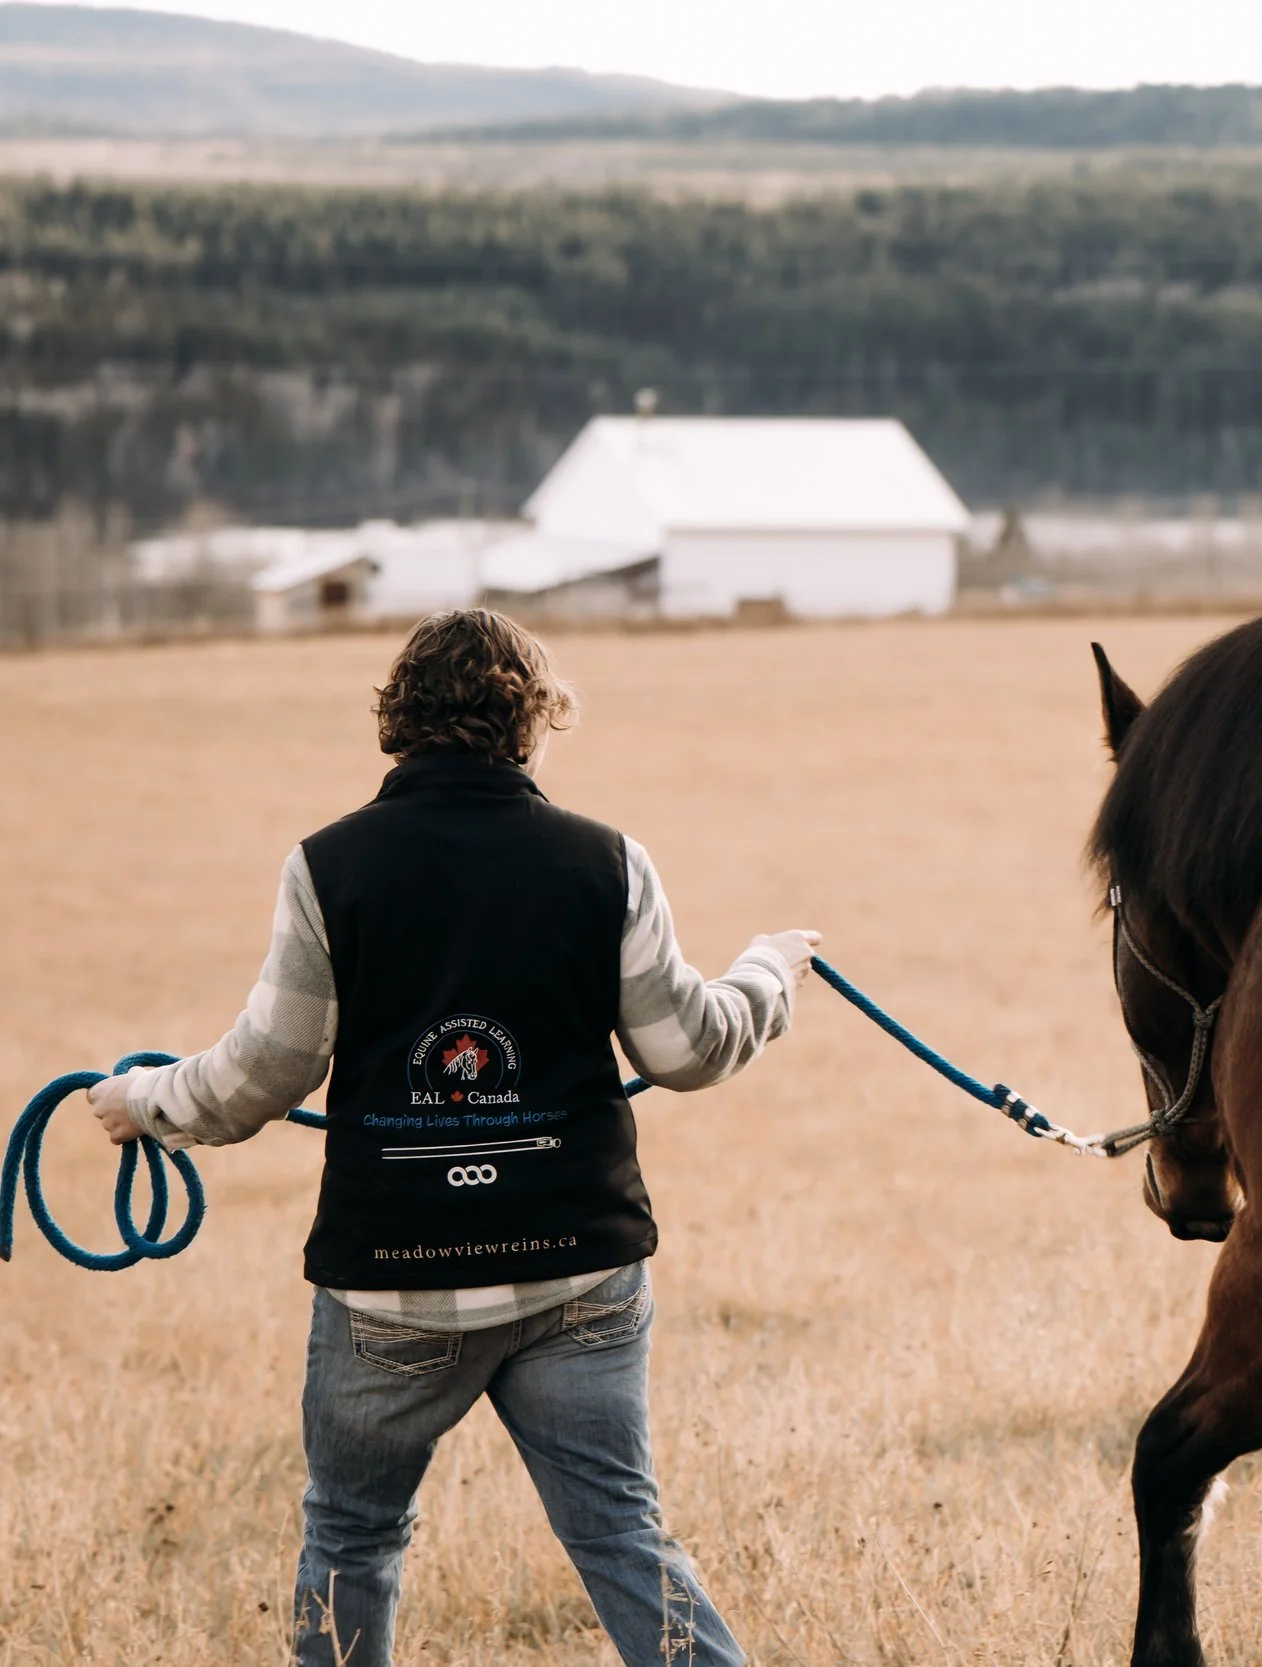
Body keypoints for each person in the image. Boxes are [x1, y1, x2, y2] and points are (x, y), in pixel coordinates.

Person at [86, 609, 814, 1666]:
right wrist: (768, 971)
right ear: (530, 723)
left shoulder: (326, 866)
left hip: (391, 1287)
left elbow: (260, 1076)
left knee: (350, 1535)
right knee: (621, 1534)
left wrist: (142, 1099)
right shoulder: (608, 861)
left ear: (400, 720)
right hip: (578, 1277)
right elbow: (689, 1048)